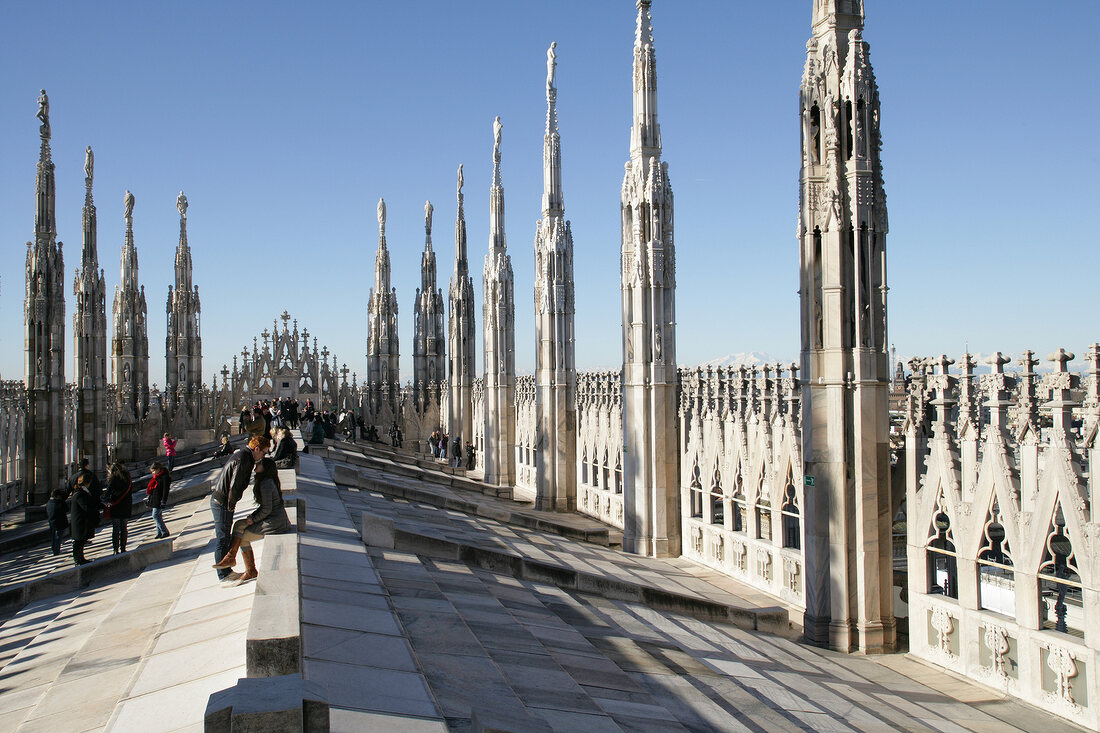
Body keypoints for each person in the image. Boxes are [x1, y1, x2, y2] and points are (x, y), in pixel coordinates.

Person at [212, 457, 291, 585]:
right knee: (238, 524)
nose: (256, 466)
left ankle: (249, 569)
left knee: (243, 537)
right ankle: (231, 557)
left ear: (264, 468)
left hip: (274, 523)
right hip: (276, 519)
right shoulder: (269, 481)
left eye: (259, 464)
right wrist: (252, 517)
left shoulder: (266, 483)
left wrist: (253, 519)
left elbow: (267, 509)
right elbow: (265, 507)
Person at [210, 435, 268, 581]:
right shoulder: (245, 459)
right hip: (223, 502)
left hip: (221, 500)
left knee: (224, 536)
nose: (263, 456)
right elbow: (234, 486)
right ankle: (223, 575)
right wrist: (230, 506)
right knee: (222, 538)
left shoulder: (243, 455)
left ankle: (226, 570)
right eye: (263, 452)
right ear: (257, 449)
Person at [102, 462, 133, 553]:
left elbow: (108, 492)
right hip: (126, 505)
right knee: (124, 528)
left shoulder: (114, 478)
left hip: (116, 505)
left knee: (116, 529)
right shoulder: (128, 478)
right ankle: (123, 548)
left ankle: (116, 549)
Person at [69, 473, 100, 565]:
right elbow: (86, 507)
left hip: (81, 521)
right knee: (78, 542)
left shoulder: (81, 492)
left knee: (81, 541)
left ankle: (81, 558)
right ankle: (78, 560)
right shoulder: (79, 494)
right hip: (79, 521)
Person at [146, 462, 171, 539]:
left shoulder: (165, 477)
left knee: (155, 515)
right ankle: (159, 532)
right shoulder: (157, 476)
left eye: (153, 471)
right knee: (158, 515)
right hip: (155, 499)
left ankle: (164, 531)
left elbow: (165, 490)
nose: (152, 473)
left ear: (158, 469)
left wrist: (163, 500)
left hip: (159, 499)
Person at [45, 488, 69, 556]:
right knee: (58, 537)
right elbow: (66, 509)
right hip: (59, 522)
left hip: (52, 522)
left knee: (54, 537)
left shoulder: (49, 503)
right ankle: (56, 550)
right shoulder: (59, 502)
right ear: (58, 496)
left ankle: (54, 549)